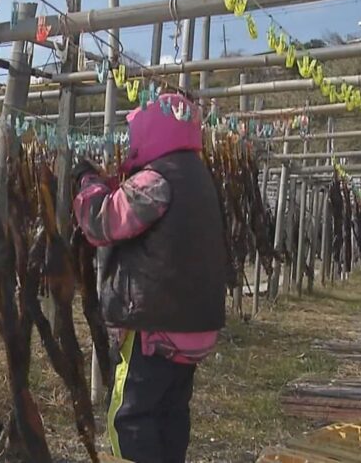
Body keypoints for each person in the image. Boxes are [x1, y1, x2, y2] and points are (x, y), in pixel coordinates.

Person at [72, 93, 227, 463]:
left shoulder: (158, 180)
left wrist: (87, 181)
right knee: (171, 413)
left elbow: (102, 221)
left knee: (130, 419)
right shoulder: (198, 177)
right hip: (194, 330)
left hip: (154, 330)